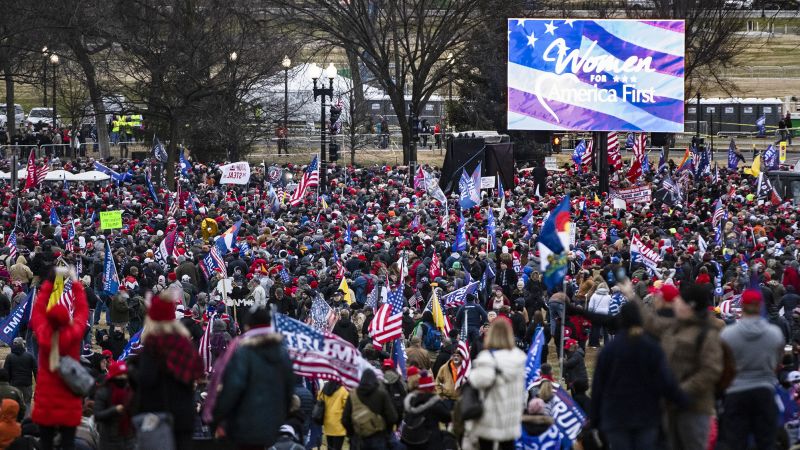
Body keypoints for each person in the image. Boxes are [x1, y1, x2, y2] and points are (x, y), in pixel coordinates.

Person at [591, 302, 686, 450]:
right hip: (646, 414)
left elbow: (598, 387)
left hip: (616, 415)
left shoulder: (609, 350)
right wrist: (682, 400)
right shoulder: (651, 347)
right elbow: (665, 380)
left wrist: (594, 419)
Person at [212, 306, 294, 449]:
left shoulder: (244, 353)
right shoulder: (283, 354)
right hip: (272, 424)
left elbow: (232, 388)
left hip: (244, 425)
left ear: (248, 326)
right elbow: (289, 390)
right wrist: (281, 416)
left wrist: (218, 417)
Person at [133, 292, 203, 450]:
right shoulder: (185, 344)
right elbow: (197, 372)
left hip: (159, 415)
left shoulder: (154, 345)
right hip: (184, 415)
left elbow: (146, 379)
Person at [718, 289, 785, 450]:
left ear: (742, 306)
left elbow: (724, 365)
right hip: (765, 391)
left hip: (736, 392)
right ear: (760, 306)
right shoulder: (775, 333)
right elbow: (778, 364)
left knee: (735, 442)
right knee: (765, 442)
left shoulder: (727, 334)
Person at [30, 272, 90, 450]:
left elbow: (38, 308)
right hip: (69, 403)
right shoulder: (74, 334)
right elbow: (82, 310)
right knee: (68, 445)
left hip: (45, 403)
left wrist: (49, 283)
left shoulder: (43, 333)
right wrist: (76, 284)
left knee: (45, 444)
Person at [469, 318, 527, 450]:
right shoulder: (519, 357)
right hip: (511, 417)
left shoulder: (487, 358)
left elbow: (476, 381)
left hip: (490, 416)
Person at [341, 369, 398, 450]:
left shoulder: (353, 395)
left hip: (358, 438)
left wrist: (352, 433)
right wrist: (386, 432)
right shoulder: (382, 394)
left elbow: (345, 419)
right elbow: (392, 417)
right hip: (378, 438)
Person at [401, 373, 452, 450]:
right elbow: (447, 417)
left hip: (411, 441)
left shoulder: (410, 401)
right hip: (430, 441)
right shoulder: (434, 402)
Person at [93, 361, 135, 450]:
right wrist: (114, 410)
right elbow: (97, 415)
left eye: (125, 375)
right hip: (109, 441)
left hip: (128, 440)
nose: (123, 378)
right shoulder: (104, 392)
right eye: (120, 375)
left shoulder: (130, 392)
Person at [3, 338, 36, 410]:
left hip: (14, 384)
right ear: (22, 345)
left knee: (14, 404)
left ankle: (17, 416)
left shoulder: (9, 357)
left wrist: (6, 384)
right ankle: (26, 416)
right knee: (27, 403)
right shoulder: (30, 356)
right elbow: (36, 371)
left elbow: (6, 372)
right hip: (27, 384)